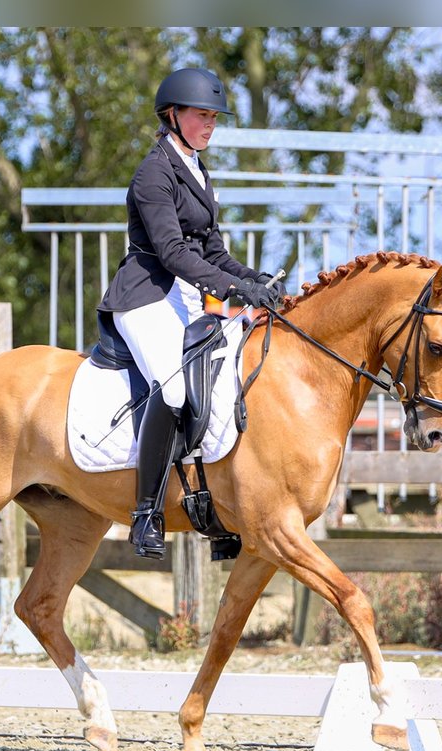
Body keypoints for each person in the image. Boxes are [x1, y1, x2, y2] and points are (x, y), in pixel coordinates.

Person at [97, 67, 285, 559]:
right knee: (176, 386)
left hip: (184, 297)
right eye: (202, 115)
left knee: (224, 386)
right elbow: (172, 251)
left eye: (213, 117)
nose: (210, 125)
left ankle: (213, 509)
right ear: (172, 115)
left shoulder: (199, 169)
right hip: (144, 295)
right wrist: (231, 288)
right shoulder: (153, 172)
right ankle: (145, 515)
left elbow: (213, 251)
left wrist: (254, 280)